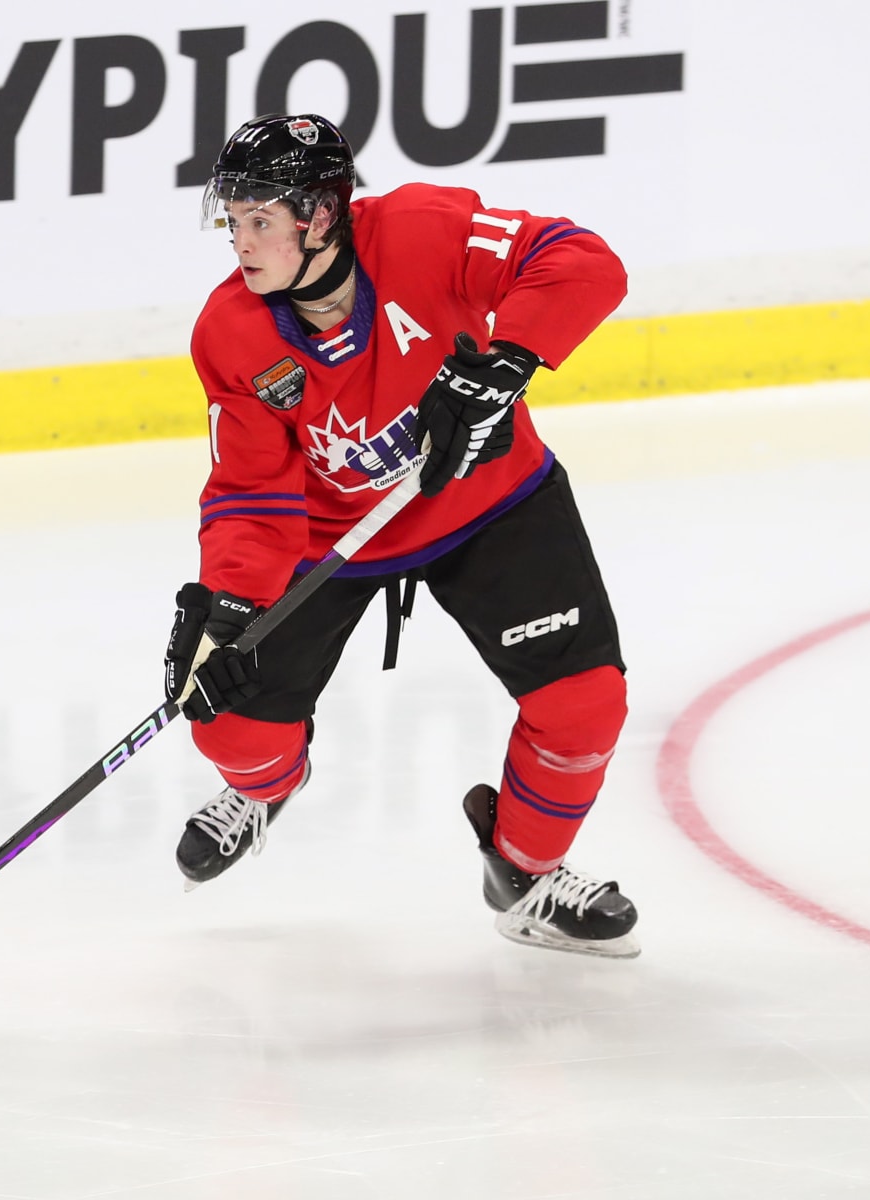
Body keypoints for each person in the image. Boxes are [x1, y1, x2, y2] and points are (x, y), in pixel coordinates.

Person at [162, 113, 637, 957]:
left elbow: (580, 260)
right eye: (231, 220)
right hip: (330, 537)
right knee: (227, 721)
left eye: (259, 219)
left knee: (582, 706)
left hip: (490, 503)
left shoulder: (425, 230)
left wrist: (508, 359)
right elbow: (249, 488)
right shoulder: (231, 331)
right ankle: (267, 786)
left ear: (321, 214)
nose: (239, 240)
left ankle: (526, 875)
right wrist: (228, 605)